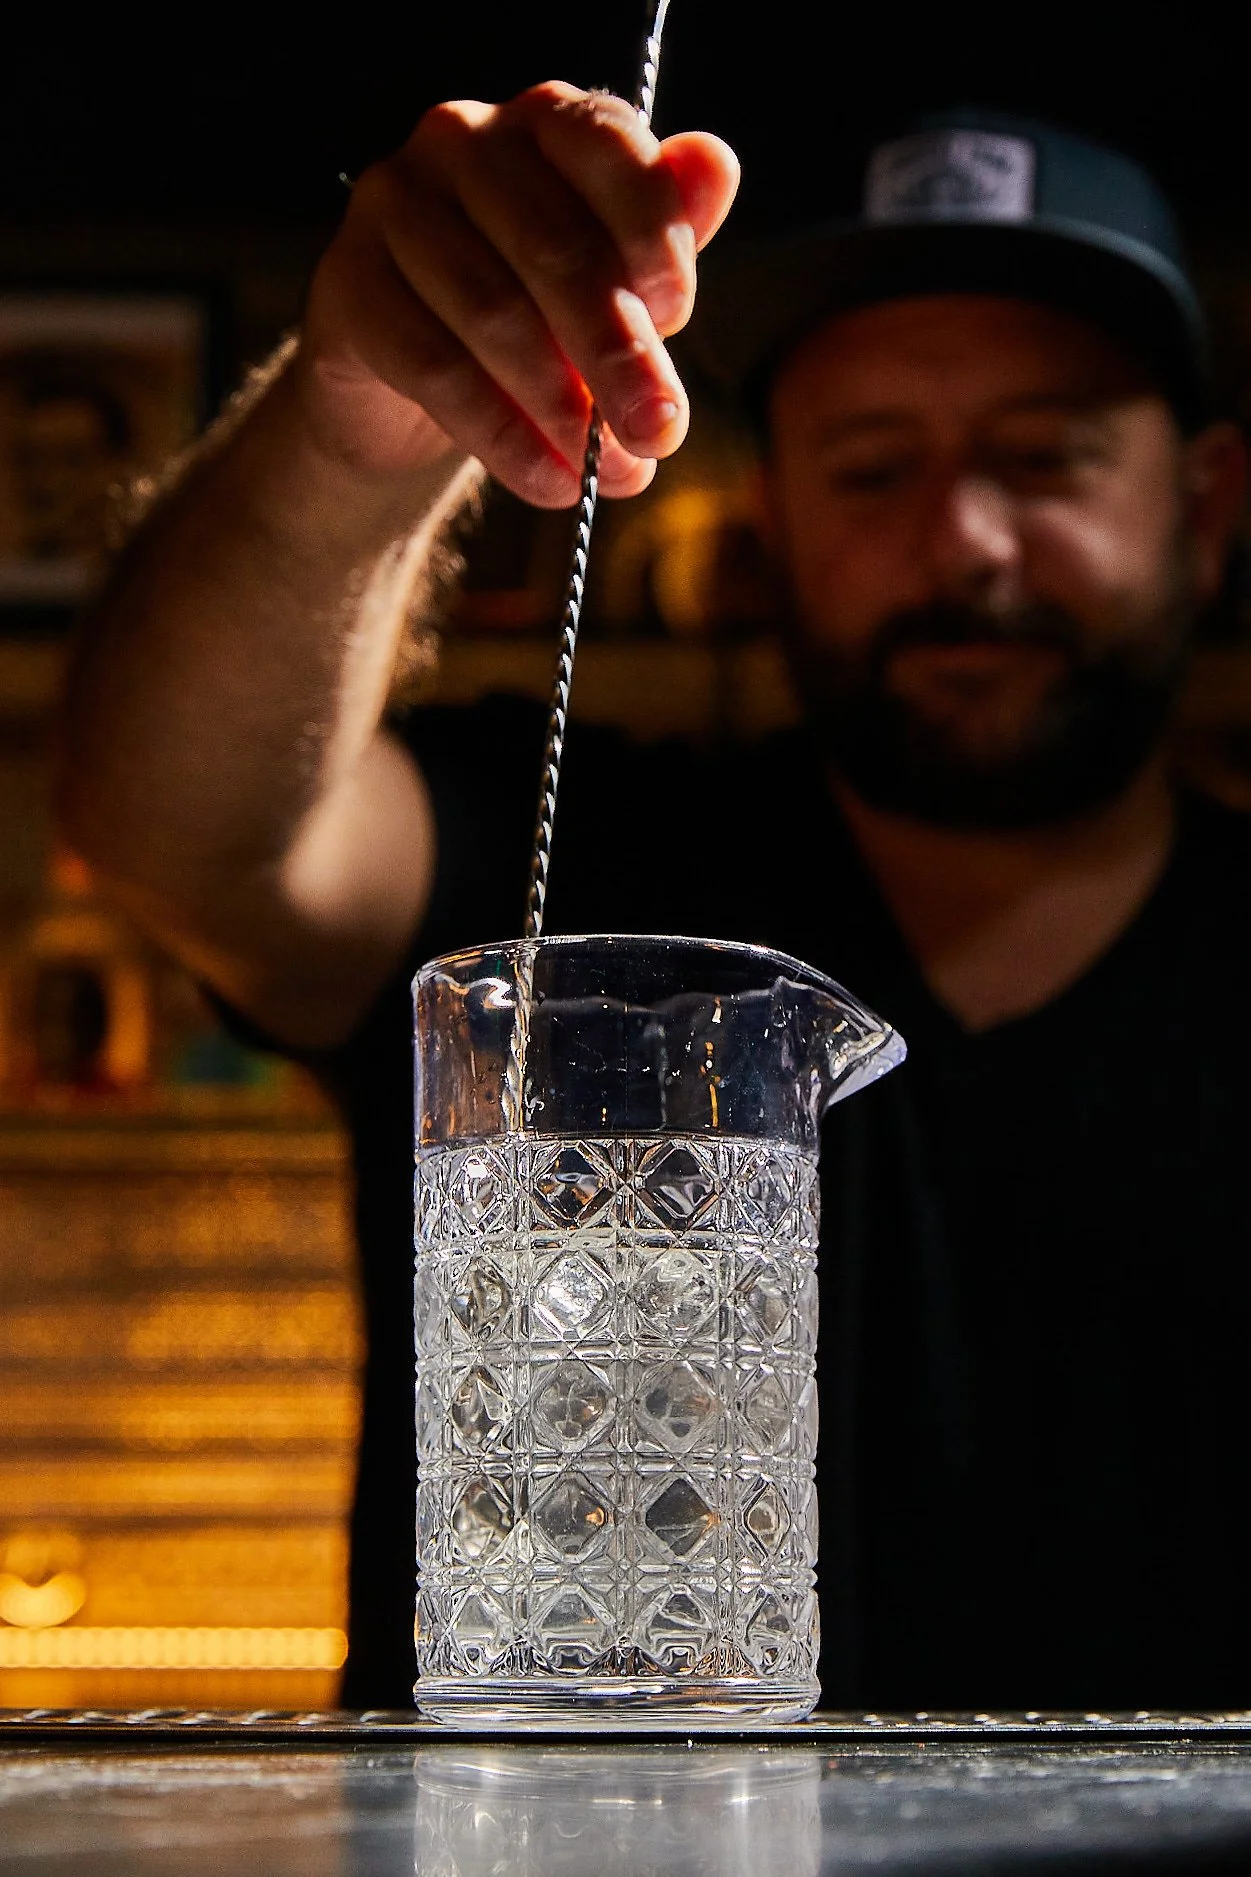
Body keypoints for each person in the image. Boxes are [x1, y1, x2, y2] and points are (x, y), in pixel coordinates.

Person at [59, 92, 1251, 1713]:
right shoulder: (552, 868)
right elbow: (172, 829)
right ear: (772, 521)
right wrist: (356, 417)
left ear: (1203, 499)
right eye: (872, 465)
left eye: (1043, 459)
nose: (964, 541)